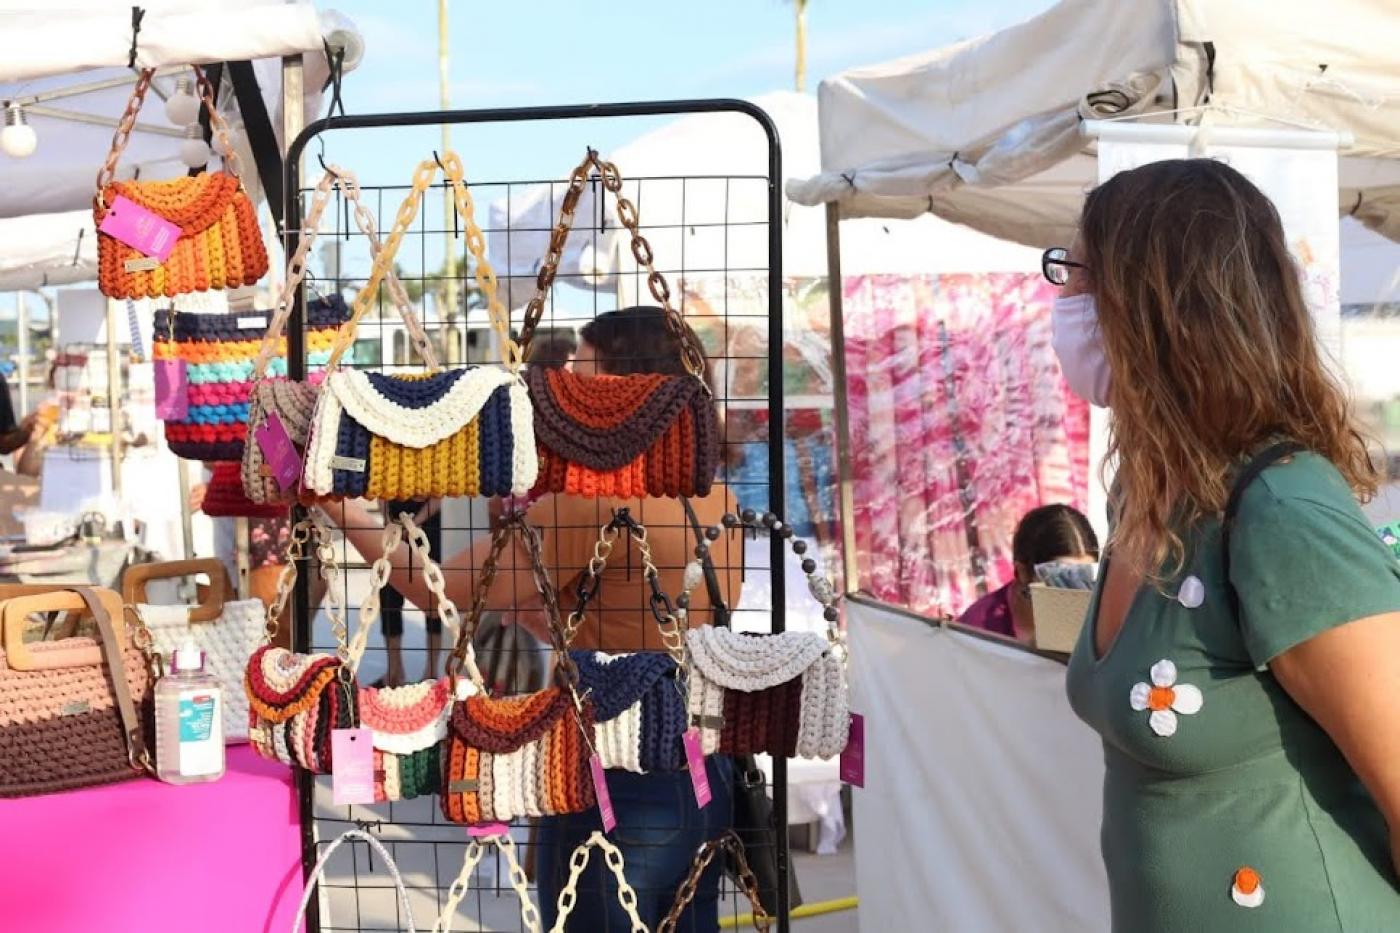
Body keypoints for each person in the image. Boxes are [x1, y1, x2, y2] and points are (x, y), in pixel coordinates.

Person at [1055, 159, 1400, 931]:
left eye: (1083, 279)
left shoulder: (1281, 508)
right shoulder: (1148, 492)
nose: (1065, 304)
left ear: (1164, 307)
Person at [324, 307, 738, 931]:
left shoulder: (597, 501)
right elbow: (628, 614)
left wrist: (341, 506)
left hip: (616, 775)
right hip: (705, 768)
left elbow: (436, 588)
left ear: (623, 392)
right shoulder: (713, 491)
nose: (562, 393)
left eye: (581, 376)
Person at [959, 503, 1098, 643]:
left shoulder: (1099, 616)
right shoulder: (979, 631)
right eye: (1061, 579)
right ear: (1023, 572)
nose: (1074, 590)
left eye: (1083, 577)